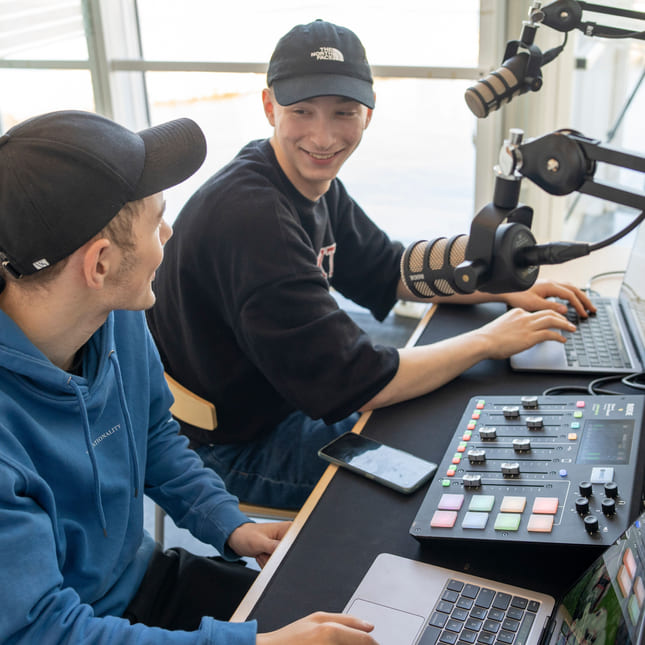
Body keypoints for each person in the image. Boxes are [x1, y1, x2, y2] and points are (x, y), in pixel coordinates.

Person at [146, 20, 594, 511]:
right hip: (231, 444)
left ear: (368, 114)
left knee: (458, 425)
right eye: (302, 112)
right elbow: (357, 380)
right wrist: (490, 339)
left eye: (343, 112)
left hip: (288, 395)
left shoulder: (303, 180)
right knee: (447, 478)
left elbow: (391, 268)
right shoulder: (253, 219)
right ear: (270, 108)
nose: (323, 135)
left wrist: (494, 280)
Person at [0, 110, 378, 644]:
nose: (170, 232)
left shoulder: (117, 314)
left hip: (138, 585)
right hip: (67, 628)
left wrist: (230, 523)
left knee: (356, 612)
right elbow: (44, 632)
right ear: (100, 264)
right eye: (157, 221)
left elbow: (154, 436)